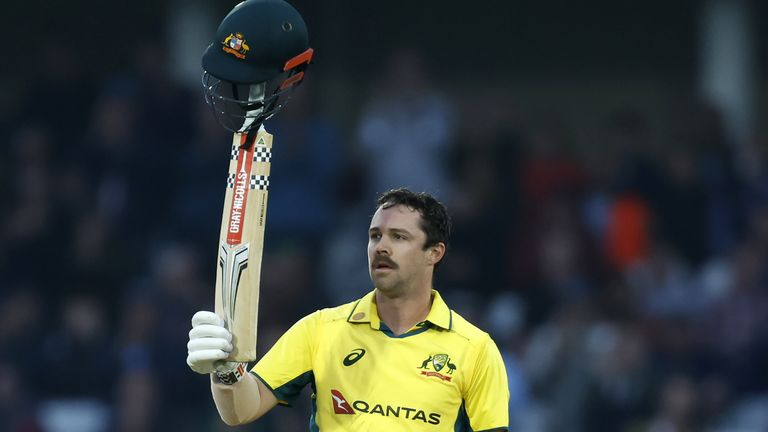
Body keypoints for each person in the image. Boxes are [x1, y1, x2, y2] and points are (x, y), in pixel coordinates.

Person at [186, 188, 510, 430]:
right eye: (375, 236)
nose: (381, 246)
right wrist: (225, 370)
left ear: (434, 253)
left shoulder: (475, 350)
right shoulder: (321, 329)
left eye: (399, 237)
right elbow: (241, 410)